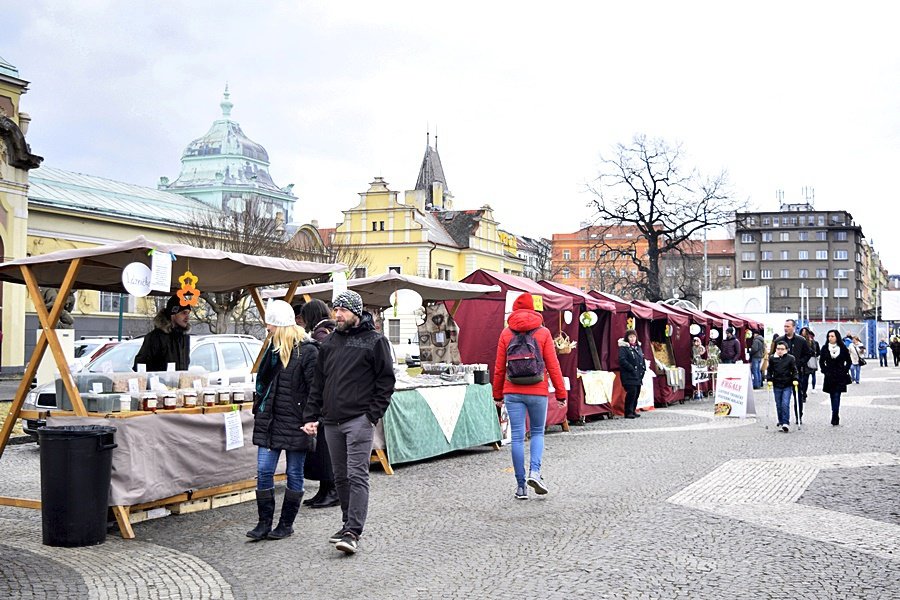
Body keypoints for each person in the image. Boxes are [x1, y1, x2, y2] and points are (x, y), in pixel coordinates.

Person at [302, 290, 395, 555]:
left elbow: (385, 382)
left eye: (343, 310)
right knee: (340, 476)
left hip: (359, 420)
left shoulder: (375, 341)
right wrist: (311, 416)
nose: (338, 314)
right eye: (335, 309)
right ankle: (346, 523)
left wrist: (371, 416)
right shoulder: (329, 343)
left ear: (356, 312)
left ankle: (354, 531)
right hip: (331, 421)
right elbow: (318, 383)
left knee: (357, 475)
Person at [247, 300, 318, 541]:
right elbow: (265, 385)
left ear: (281, 327)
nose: (267, 330)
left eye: (271, 327)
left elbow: (314, 390)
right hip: (271, 420)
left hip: (296, 421)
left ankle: (286, 524)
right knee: (264, 470)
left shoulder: (308, 351)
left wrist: (310, 419)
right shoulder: (273, 351)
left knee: (294, 472)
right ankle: (263, 523)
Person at [492, 292, 567, 500]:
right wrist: (561, 393)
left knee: (517, 437)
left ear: (515, 310)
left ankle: (520, 487)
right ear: (533, 309)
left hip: (512, 390)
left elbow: (499, 368)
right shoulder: (543, 333)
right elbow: (553, 366)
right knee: (537, 433)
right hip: (537, 390)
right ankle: (535, 472)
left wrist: (497, 394)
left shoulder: (506, 333)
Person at [298, 299, 339, 509]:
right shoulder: (330, 329)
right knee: (324, 447)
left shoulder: (321, 334)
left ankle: (331, 491)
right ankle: (325, 490)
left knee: (325, 448)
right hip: (331, 397)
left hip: (326, 398)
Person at [133, 295, 191, 372]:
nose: (187, 317)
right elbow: (140, 365)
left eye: (188, 313)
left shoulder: (185, 337)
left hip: (179, 383)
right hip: (159, 382)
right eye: (183, 313)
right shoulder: (155, 337)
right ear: (173, 314)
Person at [776, 319, 813, 421]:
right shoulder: (779, 340)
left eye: (788, 326)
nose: (785, 328)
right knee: (782, 399)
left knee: (798, 396)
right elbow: (773, 355)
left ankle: (798, 416)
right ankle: (782, 419)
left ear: (793, 327)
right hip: (782, 374)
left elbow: (809, 353)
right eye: (785, 326)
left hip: (797, 373)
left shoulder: (801, 340)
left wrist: (800, 362)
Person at [819, 329, 851, 426]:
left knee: (837, 395)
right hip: (829, 375)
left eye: (832, 336)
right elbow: (821, 362)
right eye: (829, 336)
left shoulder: (843, 348)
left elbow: (848, 361)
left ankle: (835, 414)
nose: (830, 338)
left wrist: (844, 370)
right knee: (832, 395)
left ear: (837, 337)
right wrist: (825, 370)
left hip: (840, 375)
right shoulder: (825, 348)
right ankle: (835, 412)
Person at [766, 340, 798, 433]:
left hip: (787, 384)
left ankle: (785, 423)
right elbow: (770, 370)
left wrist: (795, 379)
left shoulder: (790, 358)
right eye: (778, 349)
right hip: (777, 384)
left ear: (786, 350)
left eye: (782, 349)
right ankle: (780, 421)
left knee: (785, 403)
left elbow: (794, 370)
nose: (780, 351)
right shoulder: (772, 358)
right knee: (778, 404)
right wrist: (769, 379)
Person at [618, 329, 646, 419]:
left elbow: (642, 358)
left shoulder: (638, 347)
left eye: (634, 336)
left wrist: (643, 368)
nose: (632, 338)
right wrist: (631, 368)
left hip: (638, 375)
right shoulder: (624, 348)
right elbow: (622, 360)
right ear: (627, 338)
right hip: (629, 375)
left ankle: (633, 410)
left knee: (637, 393)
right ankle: (628, 412)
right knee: (631, 393)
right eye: (630, 337)